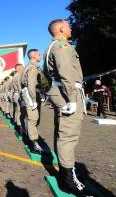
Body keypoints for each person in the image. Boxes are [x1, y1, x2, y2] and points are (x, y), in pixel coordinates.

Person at [44, 19, 93, 196]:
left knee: (63, 134)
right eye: (69, 26)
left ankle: (66, 172)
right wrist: (72, 99)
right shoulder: (61, 46)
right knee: (68, 136)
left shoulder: (54, 46)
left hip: (63, 92)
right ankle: (67, 179)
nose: (71, 28)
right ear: (62, 28)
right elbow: (65, 72)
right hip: (67, 94)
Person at [21, 49, 44, 154]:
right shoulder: (32, 67)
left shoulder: (30, 66)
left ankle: (31, 139)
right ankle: (34, 144)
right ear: (34, 55)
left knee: (31, 118)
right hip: (31, 94)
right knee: (33, 119)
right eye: (39, 54)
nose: (40, 56)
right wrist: (34, 99)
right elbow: (31, 85)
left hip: (31, 93)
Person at [11, 64, 24, 135]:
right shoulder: (19, 75)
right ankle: (19, 127)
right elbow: (20, 87)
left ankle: (16, 124)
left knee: (16, 111)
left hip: (15, 95)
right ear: (19, 69)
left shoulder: (14, 76)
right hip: (18, 94)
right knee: (20, 112)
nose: (23, 69)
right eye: (22, 68)